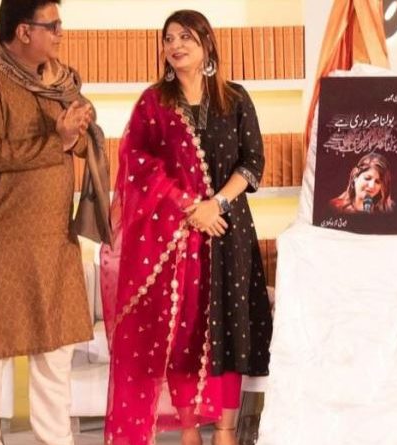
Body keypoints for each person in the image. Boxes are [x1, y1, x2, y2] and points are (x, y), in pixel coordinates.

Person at [100, 9, 272, 445]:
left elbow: (253, 162)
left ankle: (226, 430)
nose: (175, 45)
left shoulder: (234, 99)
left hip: (228, 232)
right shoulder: (153, 103)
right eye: (169, 38)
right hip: (176, 240)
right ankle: (190, 430)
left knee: (231, 332)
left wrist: (216, 204)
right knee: (183, 337)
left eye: (186, 37)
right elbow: (137, 165)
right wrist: (188, 206)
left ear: (206, 44)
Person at [0, 0, 111, 443]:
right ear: (24, 31)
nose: (61, 33)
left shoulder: (61, 81)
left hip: (54, 245)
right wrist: (56, 142)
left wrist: (79, 134)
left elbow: (82, 141)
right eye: (53, 25)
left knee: (54, 361)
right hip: (0, 246)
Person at [329, 152, 394, 214]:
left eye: (377, 182)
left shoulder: (387, 210)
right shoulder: (335, 207)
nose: (371, 186)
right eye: (367, 178)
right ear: (355, 176)